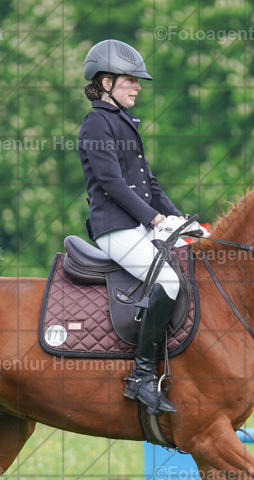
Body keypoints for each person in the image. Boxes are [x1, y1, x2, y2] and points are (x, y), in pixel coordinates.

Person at [78, 39, 199, 416]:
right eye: (131, 80)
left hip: (138, 225)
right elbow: (112, 184)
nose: (138, 86)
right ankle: (142, 377)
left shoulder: (122, 123)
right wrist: (154, 218)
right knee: (168, 282)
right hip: (115, 228)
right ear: (107, 82)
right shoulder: (96, 123)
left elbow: (151, 184)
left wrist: (183, 222)